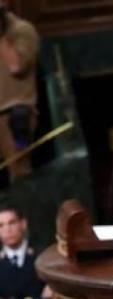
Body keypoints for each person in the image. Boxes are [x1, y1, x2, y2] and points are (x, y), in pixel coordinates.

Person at [0, 4, 38, 182]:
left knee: (19, 178)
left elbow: (16, 66)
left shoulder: (22, 31)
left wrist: (2, 34)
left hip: (15, 120)